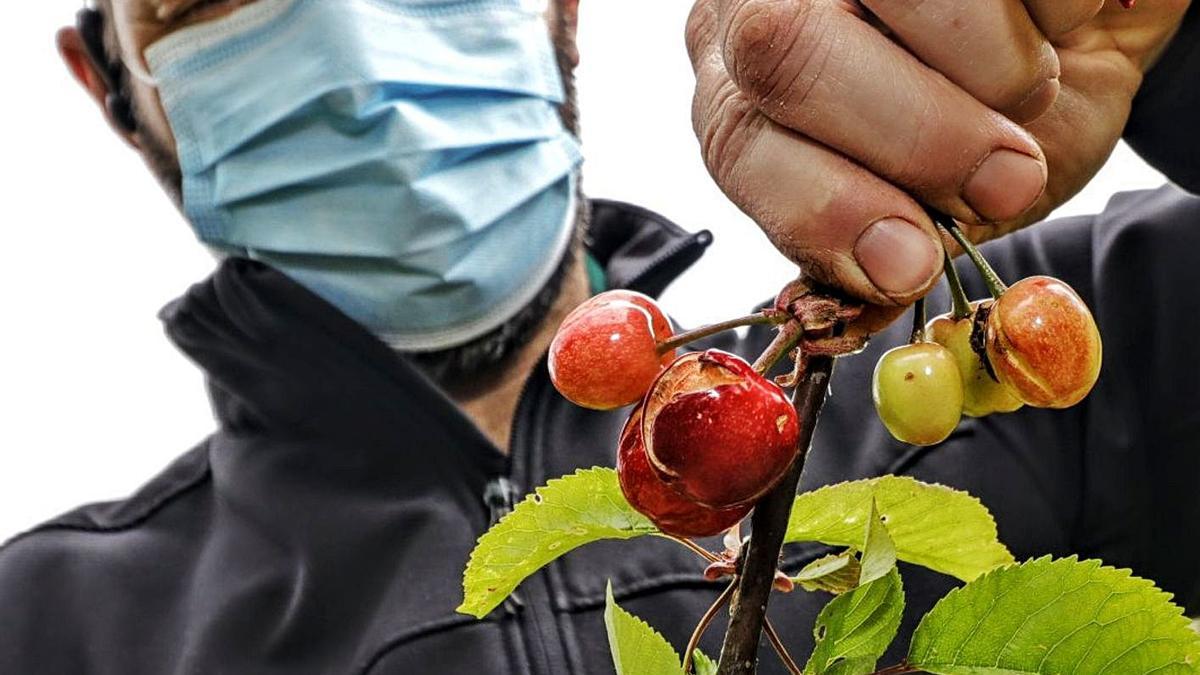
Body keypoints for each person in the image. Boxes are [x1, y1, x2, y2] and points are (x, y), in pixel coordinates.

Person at [0, 0, 1195, 672]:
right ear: (108, 82)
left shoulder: (1069, 361)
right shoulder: (49, 634)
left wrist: (1182, 57)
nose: (356, 51)